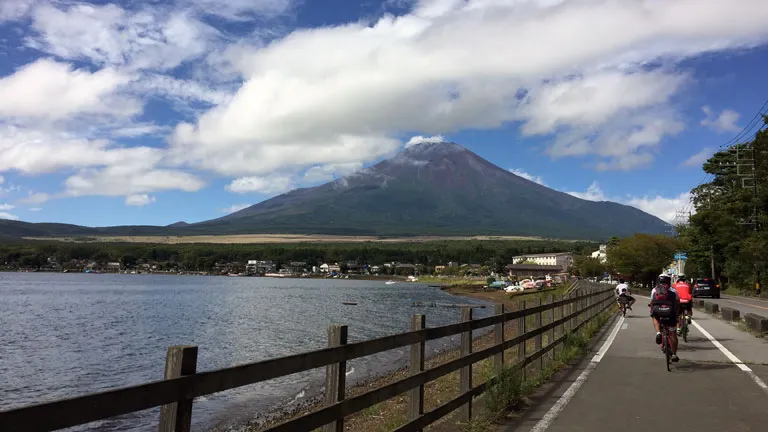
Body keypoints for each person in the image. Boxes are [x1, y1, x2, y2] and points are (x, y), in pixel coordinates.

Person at [650, 274, 680, 362]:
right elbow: (677, 303)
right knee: (673, 333)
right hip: (670, 313)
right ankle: (674, 354)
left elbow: (652, 302)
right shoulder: (674, 291)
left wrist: (651, 311)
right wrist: (677, 312)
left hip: (658, 312)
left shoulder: (654, 290)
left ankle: (658, 333)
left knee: (654, 317)